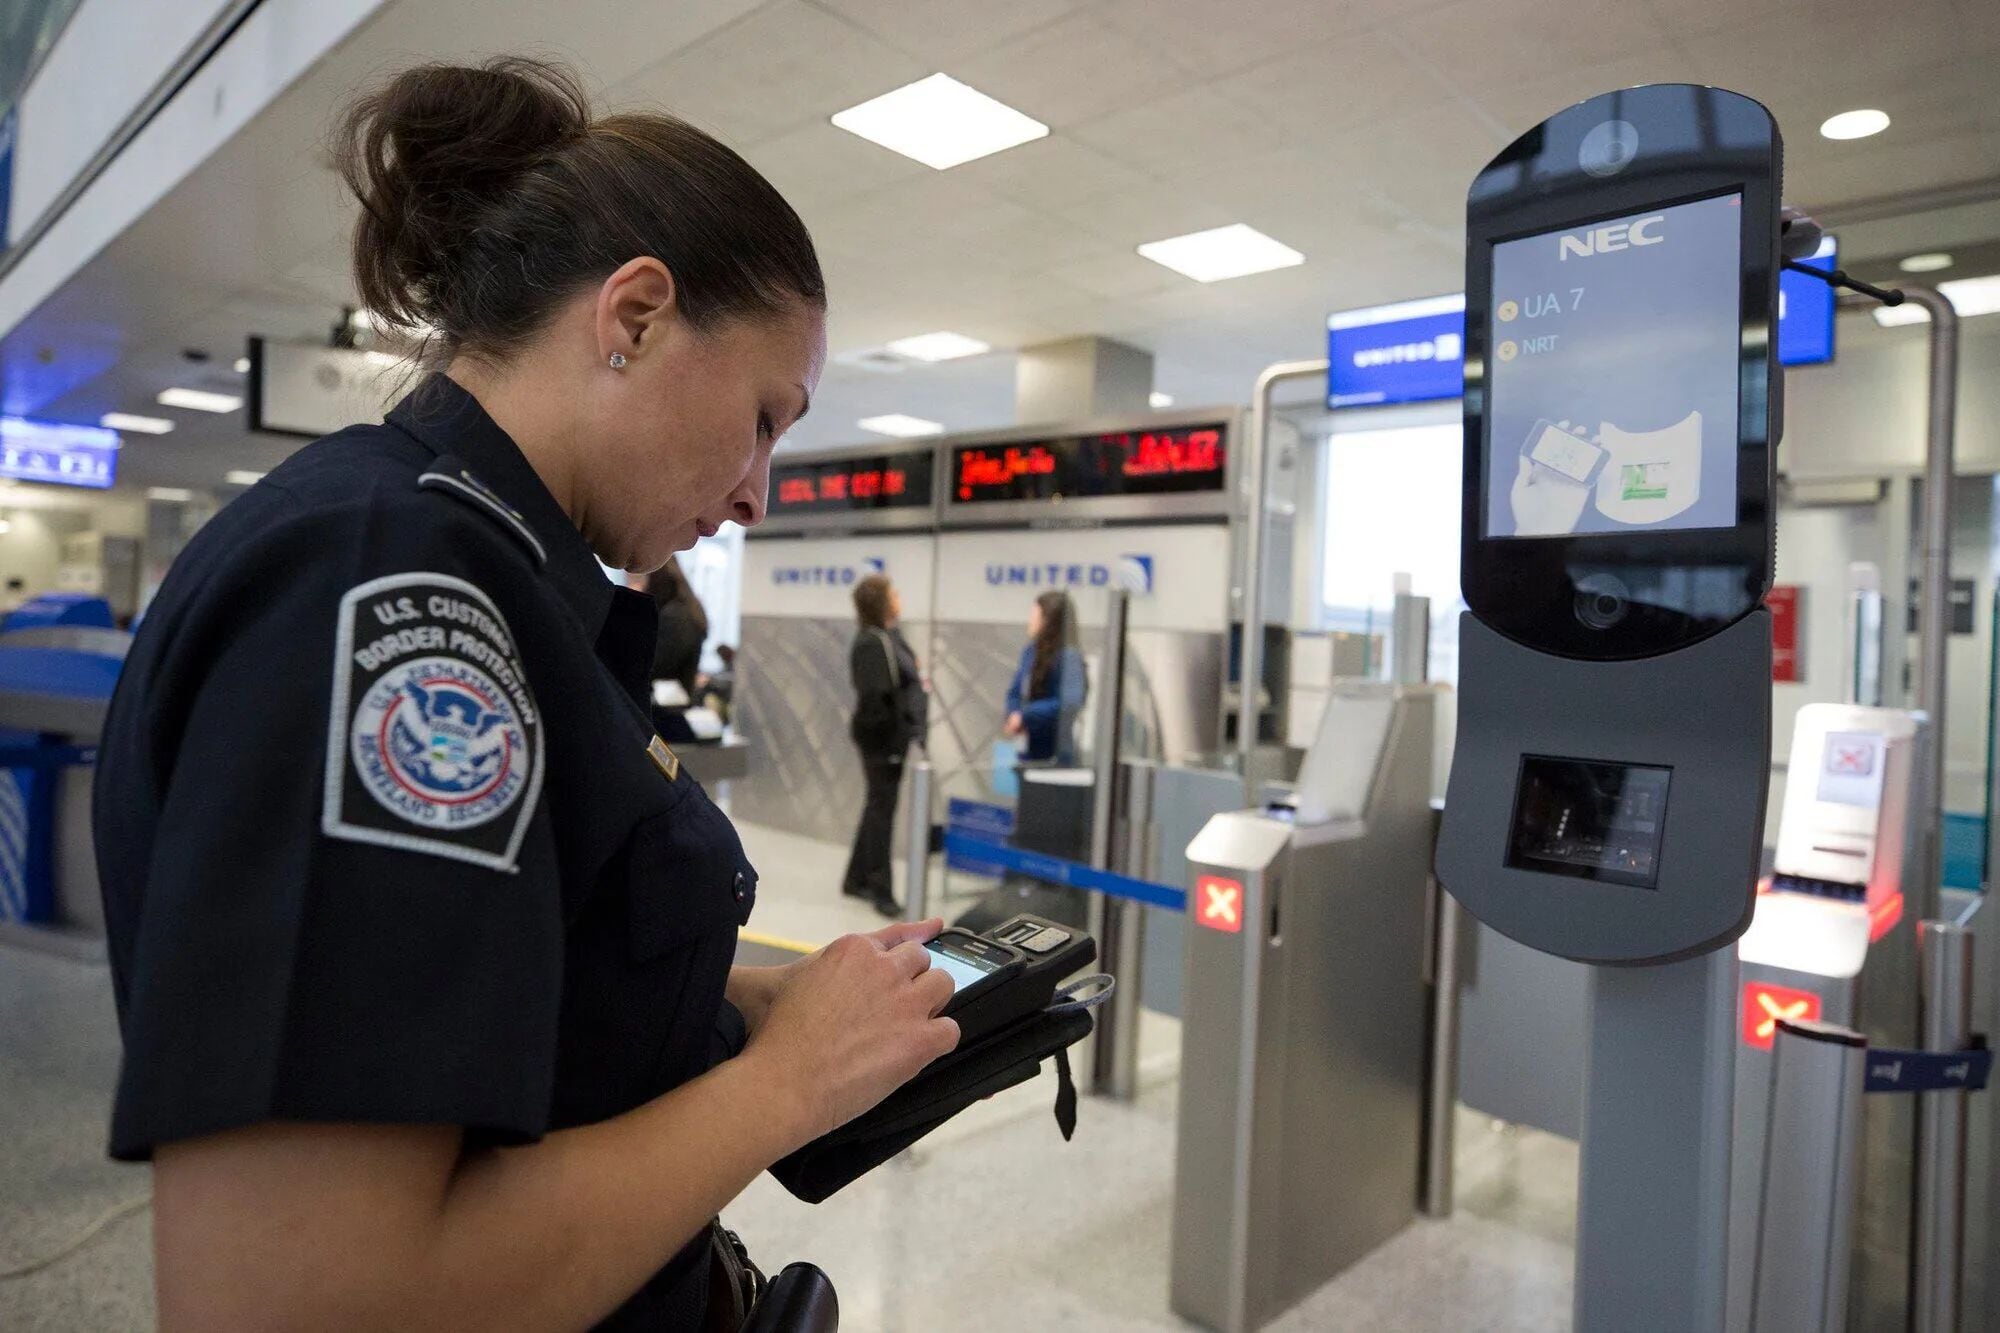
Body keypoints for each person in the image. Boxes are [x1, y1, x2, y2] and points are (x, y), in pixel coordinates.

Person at [91, 58, 957, 1332]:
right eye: (765, 417)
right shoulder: (393, 597)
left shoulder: (494, 577)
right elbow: (298, 1299)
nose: (755, 493)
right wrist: (783, 1084)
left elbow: (495, 974)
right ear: (635, 316)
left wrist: (733, 1002)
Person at [843, 573, 926, 917]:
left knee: (877, 807)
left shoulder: (890, 638)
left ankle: (855, 879)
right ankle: (881, 890)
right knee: (882, 812)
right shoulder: (871, 643)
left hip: (891, 739)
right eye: (894, 593)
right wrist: (893, 736)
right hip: (882, 742)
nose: (899, 598)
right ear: (881, 601)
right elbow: (876, 700)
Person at [1003, 590, 1088, 766]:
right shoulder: (1030, 652)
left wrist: (1026, 716)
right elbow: (1015, 691)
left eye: (1035, 616)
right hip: (1027, 750)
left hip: (1056, 755)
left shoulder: (1069, 656)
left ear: (1048, 621)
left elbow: (1069, 703)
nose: (1030, 621)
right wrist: (1013, 714)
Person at [646, 558, 709, 743]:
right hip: (675, 707)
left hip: (665, 714)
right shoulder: (688, 609)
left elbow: (654, 665)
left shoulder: (676, 616)